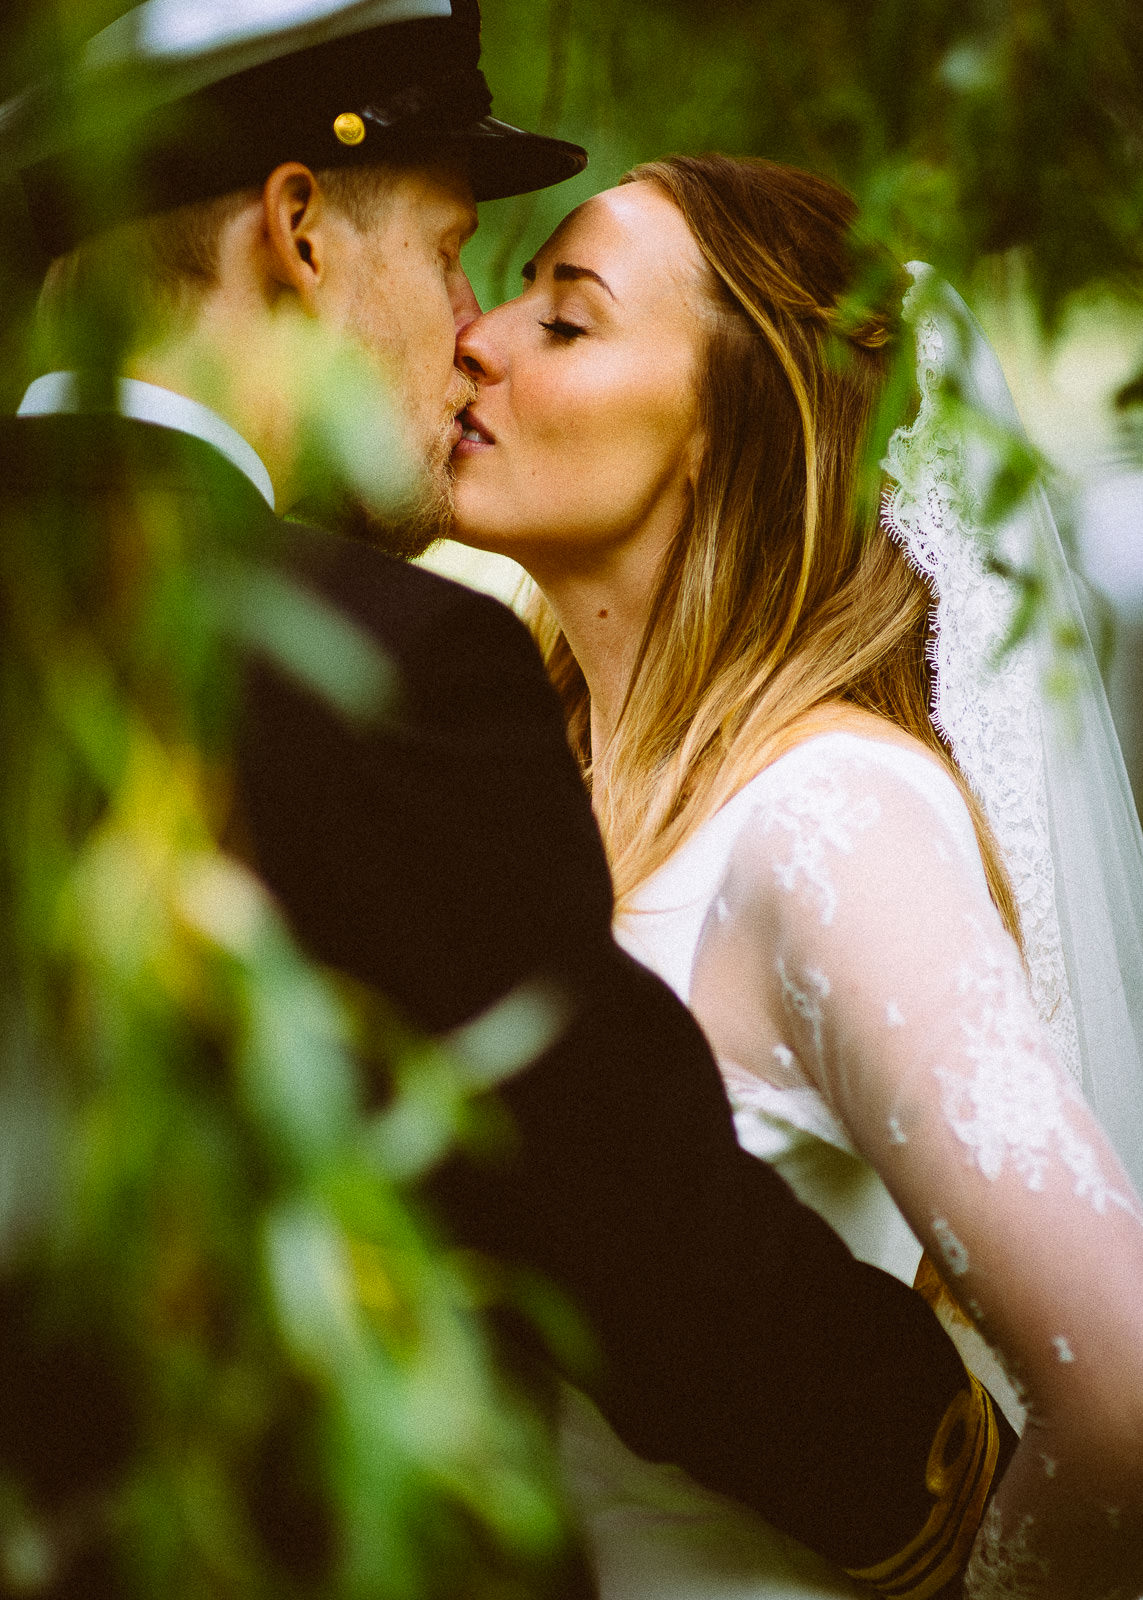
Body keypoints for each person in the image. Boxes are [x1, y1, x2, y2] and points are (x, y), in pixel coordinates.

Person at [0, 7, 1017, 1598]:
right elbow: (639, 1236)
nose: (471, 331)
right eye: (463, 254)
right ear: (299, 233)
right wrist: (966, 1485)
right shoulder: (379, 672)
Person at [449, 153, 1143, 1598]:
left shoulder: (830, 821)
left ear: (738, 419)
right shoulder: (520, 781)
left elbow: (1125, 1400)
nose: (480, 338)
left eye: (566, 321)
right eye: (511, 290)